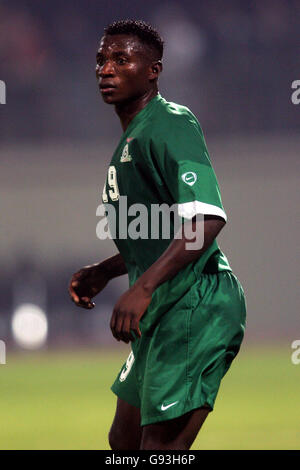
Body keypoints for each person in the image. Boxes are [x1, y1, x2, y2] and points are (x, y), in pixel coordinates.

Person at [68, 19, 246, 450]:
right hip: (164, 307)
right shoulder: (134, 137)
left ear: (153, 71)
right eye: (101, 59)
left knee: (157, 450)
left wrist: (142, 286)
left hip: (196, 306)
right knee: (123, 442)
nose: (105, 69)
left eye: (120, 59)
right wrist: (108, 270)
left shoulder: (170, 123)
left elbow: (206, 218)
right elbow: (160, 231)